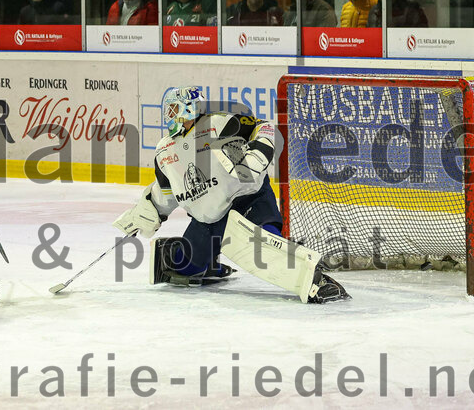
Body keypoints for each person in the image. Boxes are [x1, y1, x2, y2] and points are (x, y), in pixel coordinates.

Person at [113, 86, 349, 303]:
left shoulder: (219, 123)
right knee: (183, 267)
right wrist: (146, 211)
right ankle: (203, 262)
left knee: (266, 245)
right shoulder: (164, 150)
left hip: (249, 201)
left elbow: (264, 127)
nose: (172, 114)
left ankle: (316, 281)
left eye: (176, 108)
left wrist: (258, 153)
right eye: (171, 109)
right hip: (209, 220)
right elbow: (165, 191)